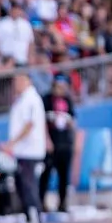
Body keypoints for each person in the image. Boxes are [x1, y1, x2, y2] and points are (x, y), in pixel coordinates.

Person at [2, 73, 48, 223]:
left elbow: (29, 124)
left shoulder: (31, 99)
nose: (16, 84)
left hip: (30, 151)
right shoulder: (22, 100)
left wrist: (12, 144)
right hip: (22, 151)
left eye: (19, 81)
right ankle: (29, 218)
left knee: (29, 186)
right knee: (22, 186)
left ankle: (36, 219)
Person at [39, 74, 76, 213]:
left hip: (65, 143)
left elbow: (73, 120)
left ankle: (62, 203)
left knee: (64, 176)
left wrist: (67, 120)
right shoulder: (46, 100)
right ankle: (41, 201)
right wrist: (47, 140)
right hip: (51, 143)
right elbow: (41, 122)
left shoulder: (68, 100)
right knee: (46, 173)